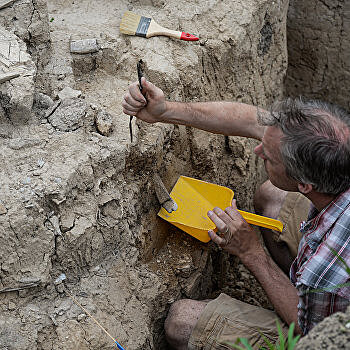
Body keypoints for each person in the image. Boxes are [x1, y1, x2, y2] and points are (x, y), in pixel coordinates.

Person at [122, 78, 350, 349]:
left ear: (304, 184)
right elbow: (250, 121)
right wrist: (164, 110)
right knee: (272, 197)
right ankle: (292, 286)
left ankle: (295, 294)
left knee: (182, 321)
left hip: (319, 329)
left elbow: (313, 332)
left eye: (268, 157)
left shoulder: (329, 267)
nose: (257, 150)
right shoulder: (339, 147)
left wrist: (251, 253)